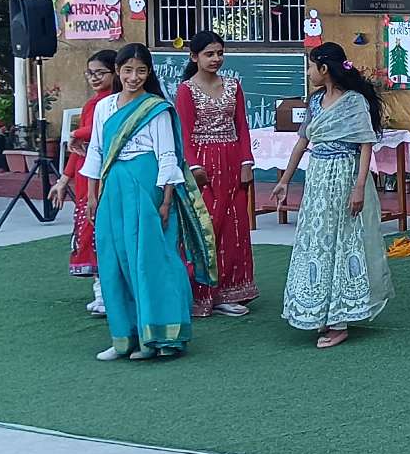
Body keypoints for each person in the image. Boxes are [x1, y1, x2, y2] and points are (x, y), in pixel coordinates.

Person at [80, 44, 216, 361]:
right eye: (128, 70)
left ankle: (157, 337)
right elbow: (96, 151)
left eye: (141, 71)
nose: (134, 77)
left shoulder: (156, 109)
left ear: (149, 72)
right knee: (114, 261)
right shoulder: (104, 107)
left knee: (149, 261)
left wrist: (166, 201)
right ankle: (124, 338)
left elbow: (167, 156)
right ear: (118, 71)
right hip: (112, 188)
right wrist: (91, 195)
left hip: (146, 187)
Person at [271, 42, 395, 349]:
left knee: (344, 242)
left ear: (324, 68)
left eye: (311, 66)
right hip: (318, 180)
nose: (308, 72)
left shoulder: (354, 102)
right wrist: (285, 180)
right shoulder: (315, 102)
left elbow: (365, 145)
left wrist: (359, 187)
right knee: (317, 242)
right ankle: (320, 311)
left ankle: (340, 320)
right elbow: (302, 142)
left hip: (344, 176)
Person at [177, 31, 257, 318]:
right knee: (207, 226)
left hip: (232, 160)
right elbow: (183, 133)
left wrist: (246, 162)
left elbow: (242, 126)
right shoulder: (186, 90)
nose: (216, 59)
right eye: (209, 54)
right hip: (203, 164)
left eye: (219, 53)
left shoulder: (233, 86)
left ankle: (230, 291)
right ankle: (200, 293)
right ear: (194, 57)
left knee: (236, 226)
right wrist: (194, 167)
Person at [51, 50, 118, 314]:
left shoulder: (116, 102)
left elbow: (99, 131)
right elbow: (78, 150)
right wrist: (63, 180)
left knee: (106, 236)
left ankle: (112, 294)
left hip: (108, 176)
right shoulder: (92, 104)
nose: (94, 78)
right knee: (90, 235)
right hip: (86, 178)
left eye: (100, 73)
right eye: (90, 73)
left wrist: (77, 132)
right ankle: (101, 293)